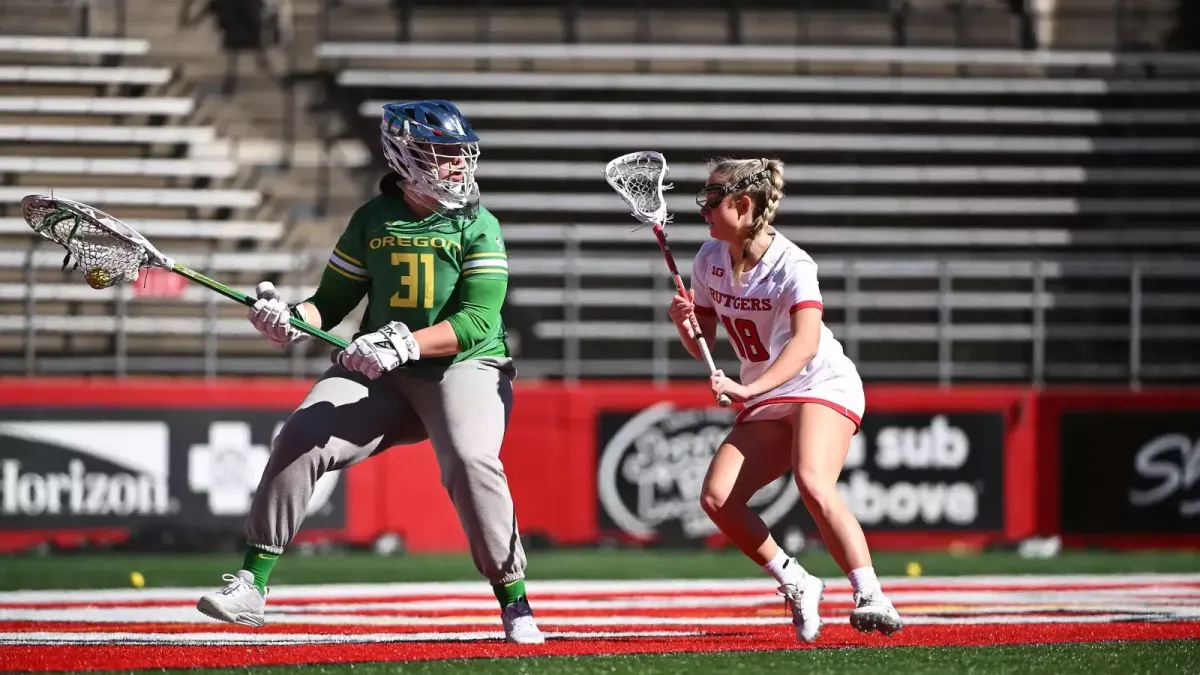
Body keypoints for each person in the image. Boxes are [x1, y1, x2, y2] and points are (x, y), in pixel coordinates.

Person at [195, 99, 544, 645]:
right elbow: (327, 305)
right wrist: (289, 318)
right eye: (442, 154)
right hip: (382, 369)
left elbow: (477, 322)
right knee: (302, 435)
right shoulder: (372, 220)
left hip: (464, 367)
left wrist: (405, 343)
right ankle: (251, 586)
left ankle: (514, 602)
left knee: (472, 462)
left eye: (460, 154)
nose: (458, 165)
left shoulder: (480, 225)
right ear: (404, 157)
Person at [668, 157, 903, 643]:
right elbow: (704, 341)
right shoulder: (708, 259)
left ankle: (870, 593)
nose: (703, 209)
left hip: (819, 383)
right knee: (717, 498)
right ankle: (796, 580)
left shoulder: (793, 266)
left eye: (713, 199)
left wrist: (749, 388)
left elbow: (805, 344)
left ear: (743, 204)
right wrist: (685, 325)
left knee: (813, 479)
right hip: (767, 391)